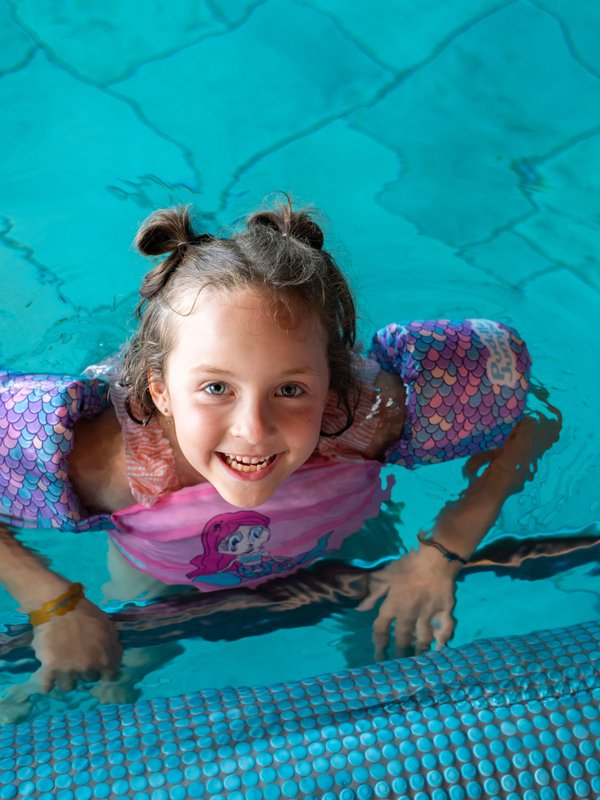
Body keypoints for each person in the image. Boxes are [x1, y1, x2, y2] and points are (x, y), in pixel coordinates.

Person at [0, 199, 560, 696]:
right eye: (216, 388)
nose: (254, 429)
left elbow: (529, 418)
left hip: (344, 537)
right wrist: (53, 605)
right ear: (161, 392)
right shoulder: (109, 464)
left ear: (333, 386)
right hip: (158, 570)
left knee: (391, 665)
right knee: (116, 668)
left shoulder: (367, 419)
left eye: (290, 390)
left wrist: (439, 555)